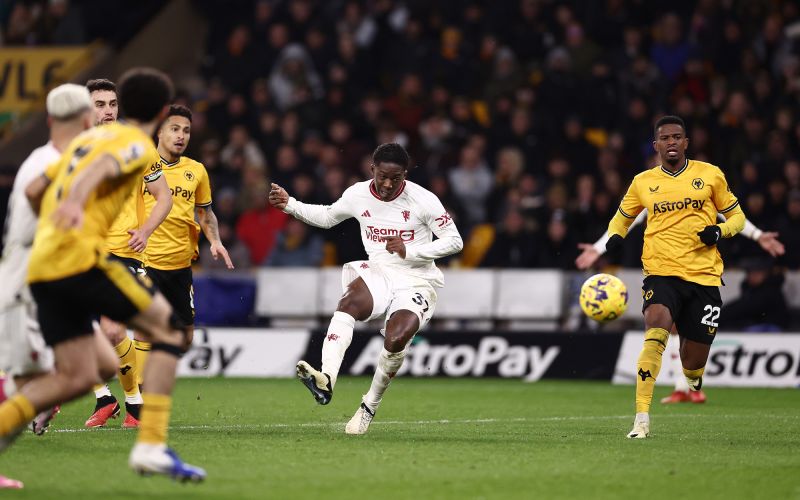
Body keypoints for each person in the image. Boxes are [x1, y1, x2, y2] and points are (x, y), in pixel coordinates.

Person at [0, 67, 205, 480]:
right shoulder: (130, 141)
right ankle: (151, 444)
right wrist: (76, 203)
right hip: (80, 261)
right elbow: (102, 170)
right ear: (163, 111)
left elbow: (34, 190)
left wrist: (58, 216)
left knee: (78, 376)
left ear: (122, 105)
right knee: (171, 332)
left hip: (43, 266)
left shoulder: (83, 140)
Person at [268, 143, 463, 435]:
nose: (386, 184)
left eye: (395, 178)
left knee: (396, 339)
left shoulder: (423, 200)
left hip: (417, 280)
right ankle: (327, 379)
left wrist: (410, 251)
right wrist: (290, 204)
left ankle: (369, 405)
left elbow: (454, 241)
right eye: (382, 176)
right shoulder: (357, 194)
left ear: (404, 175)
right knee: (348, 304)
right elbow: (327, 216)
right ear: (372, 168)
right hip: (380, 273)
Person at [0, 84, 118, 488]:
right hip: (29, 286)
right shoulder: (53, 165)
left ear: (50, 120)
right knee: (27, 378)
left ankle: (37, 401)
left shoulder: (58, 160)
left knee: (101, 365)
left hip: (56, 286)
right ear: (87, 120)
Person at [603, 115, 745, 438]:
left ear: (686, 143)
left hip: (704, 276)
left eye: (677, 137)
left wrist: (719, 231)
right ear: (656, 145)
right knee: (656, 324)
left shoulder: (710, 175)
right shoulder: (642, 182)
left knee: (693, 362)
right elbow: (620, 220)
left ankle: (692, 378)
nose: (671, 142)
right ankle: (641, 418)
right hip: (660, 272)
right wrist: (614, 238)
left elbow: (738, 217)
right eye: (665, 138)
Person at [575, 200, 785, 405]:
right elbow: (626, 220)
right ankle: (683, 388)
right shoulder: (650, 187)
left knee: (691, 332)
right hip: (664, 271)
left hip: (699, 271)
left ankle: (690, 386)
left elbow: (729, 213)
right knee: (671, 327)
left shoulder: (700, 184)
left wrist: (757, 235)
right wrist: (599, 248)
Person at [81, 79, 174, 429]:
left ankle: (131, 403)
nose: (107, 110)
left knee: (112, 330)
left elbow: (163, 196)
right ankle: (113, 399)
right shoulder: (75, 149)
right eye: (100, 104)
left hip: (123, 251)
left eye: (112, 104)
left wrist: (146, 230)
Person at [143, 104, 233, 349]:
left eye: (186, 130)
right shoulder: (140, 165)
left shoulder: (196, 170)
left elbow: (205, 212)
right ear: (159, 132)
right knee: (145, 331)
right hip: (145, 261)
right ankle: (137, 386)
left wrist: (215, 241)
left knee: (185, 340)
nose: (181, 135)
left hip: (180, 266)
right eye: (174, 129)